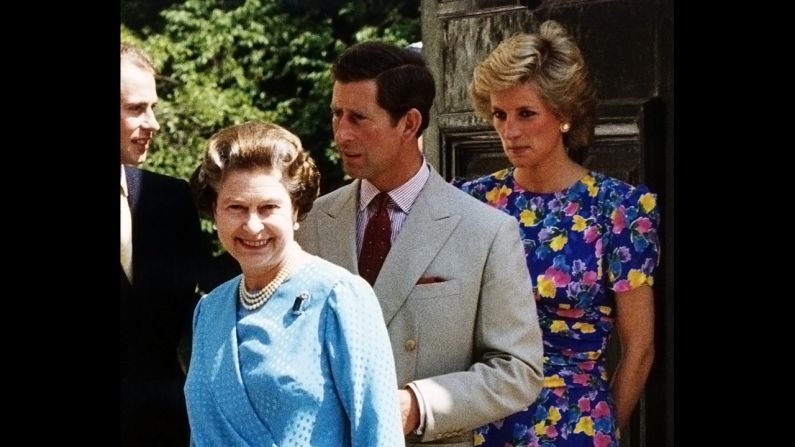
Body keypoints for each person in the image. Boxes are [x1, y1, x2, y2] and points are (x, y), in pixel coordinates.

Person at [295, 41, 545, 446]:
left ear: (409, 124)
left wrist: (417, 405)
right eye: (337, 115)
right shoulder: (310, 223)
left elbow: (518, 370)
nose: (341, 134)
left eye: (358, 118)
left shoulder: (486, 231)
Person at [455, 20, 660, 446]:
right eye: (499, 114)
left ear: (563, 114)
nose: (510, 131)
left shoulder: (618, 209)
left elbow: (639, 349)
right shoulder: (472, 201)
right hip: (484, 420)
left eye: (526, 113)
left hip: (578, 427)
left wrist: (602, 430)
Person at [185, 120, 404, 446]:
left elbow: (380, 436)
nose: (252, 225)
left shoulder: (340, 297)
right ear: (215, 212)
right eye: (236, 208)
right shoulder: (209, 310)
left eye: (268, 207)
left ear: (296, 211)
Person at [120, 43, 203, 446]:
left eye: (153, 107)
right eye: (136, 109)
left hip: (166, 430)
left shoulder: (171, 201)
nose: (153, 123)